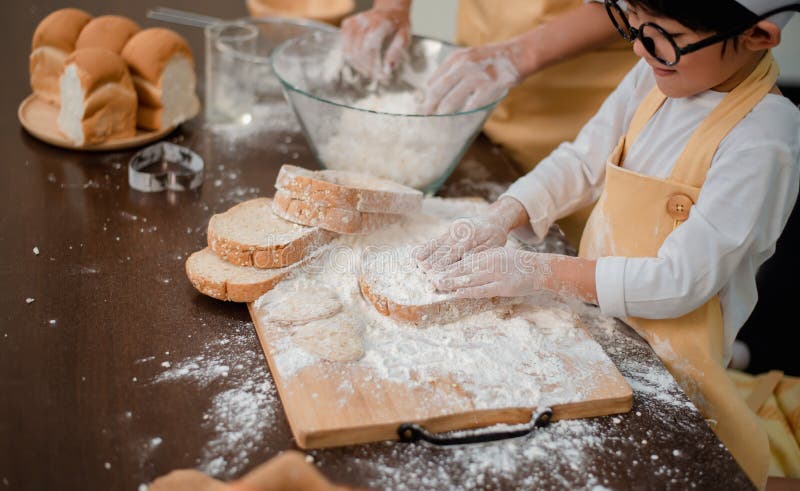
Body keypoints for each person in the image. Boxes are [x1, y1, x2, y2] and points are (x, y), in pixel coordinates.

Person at [416, 0, 799, 488]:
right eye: (632, 27)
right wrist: (501, 214)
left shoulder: (764, 137)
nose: (640, 48)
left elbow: (681, 281)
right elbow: (581, 162)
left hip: (675, 370)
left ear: (758, 36)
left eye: (661, 37)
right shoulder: (652, 77)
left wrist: (539, 272)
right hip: (598, 324)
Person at [341, 0, 639, 244]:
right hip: (481, 77)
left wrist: (519, 55)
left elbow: (644, 7)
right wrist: (391, 8)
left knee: (572, 246)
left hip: (578, 112)